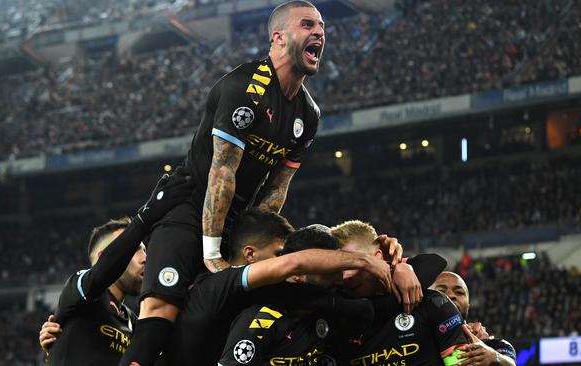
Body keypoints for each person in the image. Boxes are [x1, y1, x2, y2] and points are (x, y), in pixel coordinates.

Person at [122, 1, 328, 363]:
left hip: (233, 220)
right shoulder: (245, 87)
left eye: (322, 27)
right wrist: (212, 253)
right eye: (308, 24)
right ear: (278, 37)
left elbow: (277, 187)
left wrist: (253, 237)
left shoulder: (308, 115)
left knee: (213, 320)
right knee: (160, 308)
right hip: (187, 204)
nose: (320, 33)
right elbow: (222, 173)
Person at [159, 208, 393, 365]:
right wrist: (365, 260)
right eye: (279, 255)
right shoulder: (223, 291)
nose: (339, 279)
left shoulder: (300, 301)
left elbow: (365, 308)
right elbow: (295, 264)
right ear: (249, 254)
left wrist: (402, 267)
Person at [43, 172, 192, 366]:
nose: (146, 258)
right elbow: (99, 277)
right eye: (135, 249)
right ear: (103, 256)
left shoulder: (134, 320)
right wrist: (145, 218)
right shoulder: (76, 291)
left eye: (145, 250)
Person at [330, 220, 469, 366]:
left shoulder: (434, 304)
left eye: (354, 262)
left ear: (377, 258)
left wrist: (400, 266)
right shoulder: (335, 319)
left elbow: (460, 362)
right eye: (339, 266)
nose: (345, 276)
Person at [430, 272, 517, 366]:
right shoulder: (416, 340)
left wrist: (495, 357)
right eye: (441, 292)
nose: (451, 295)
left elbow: (510, 363)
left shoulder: (491, 346)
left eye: (459, 292)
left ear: (468, 305)